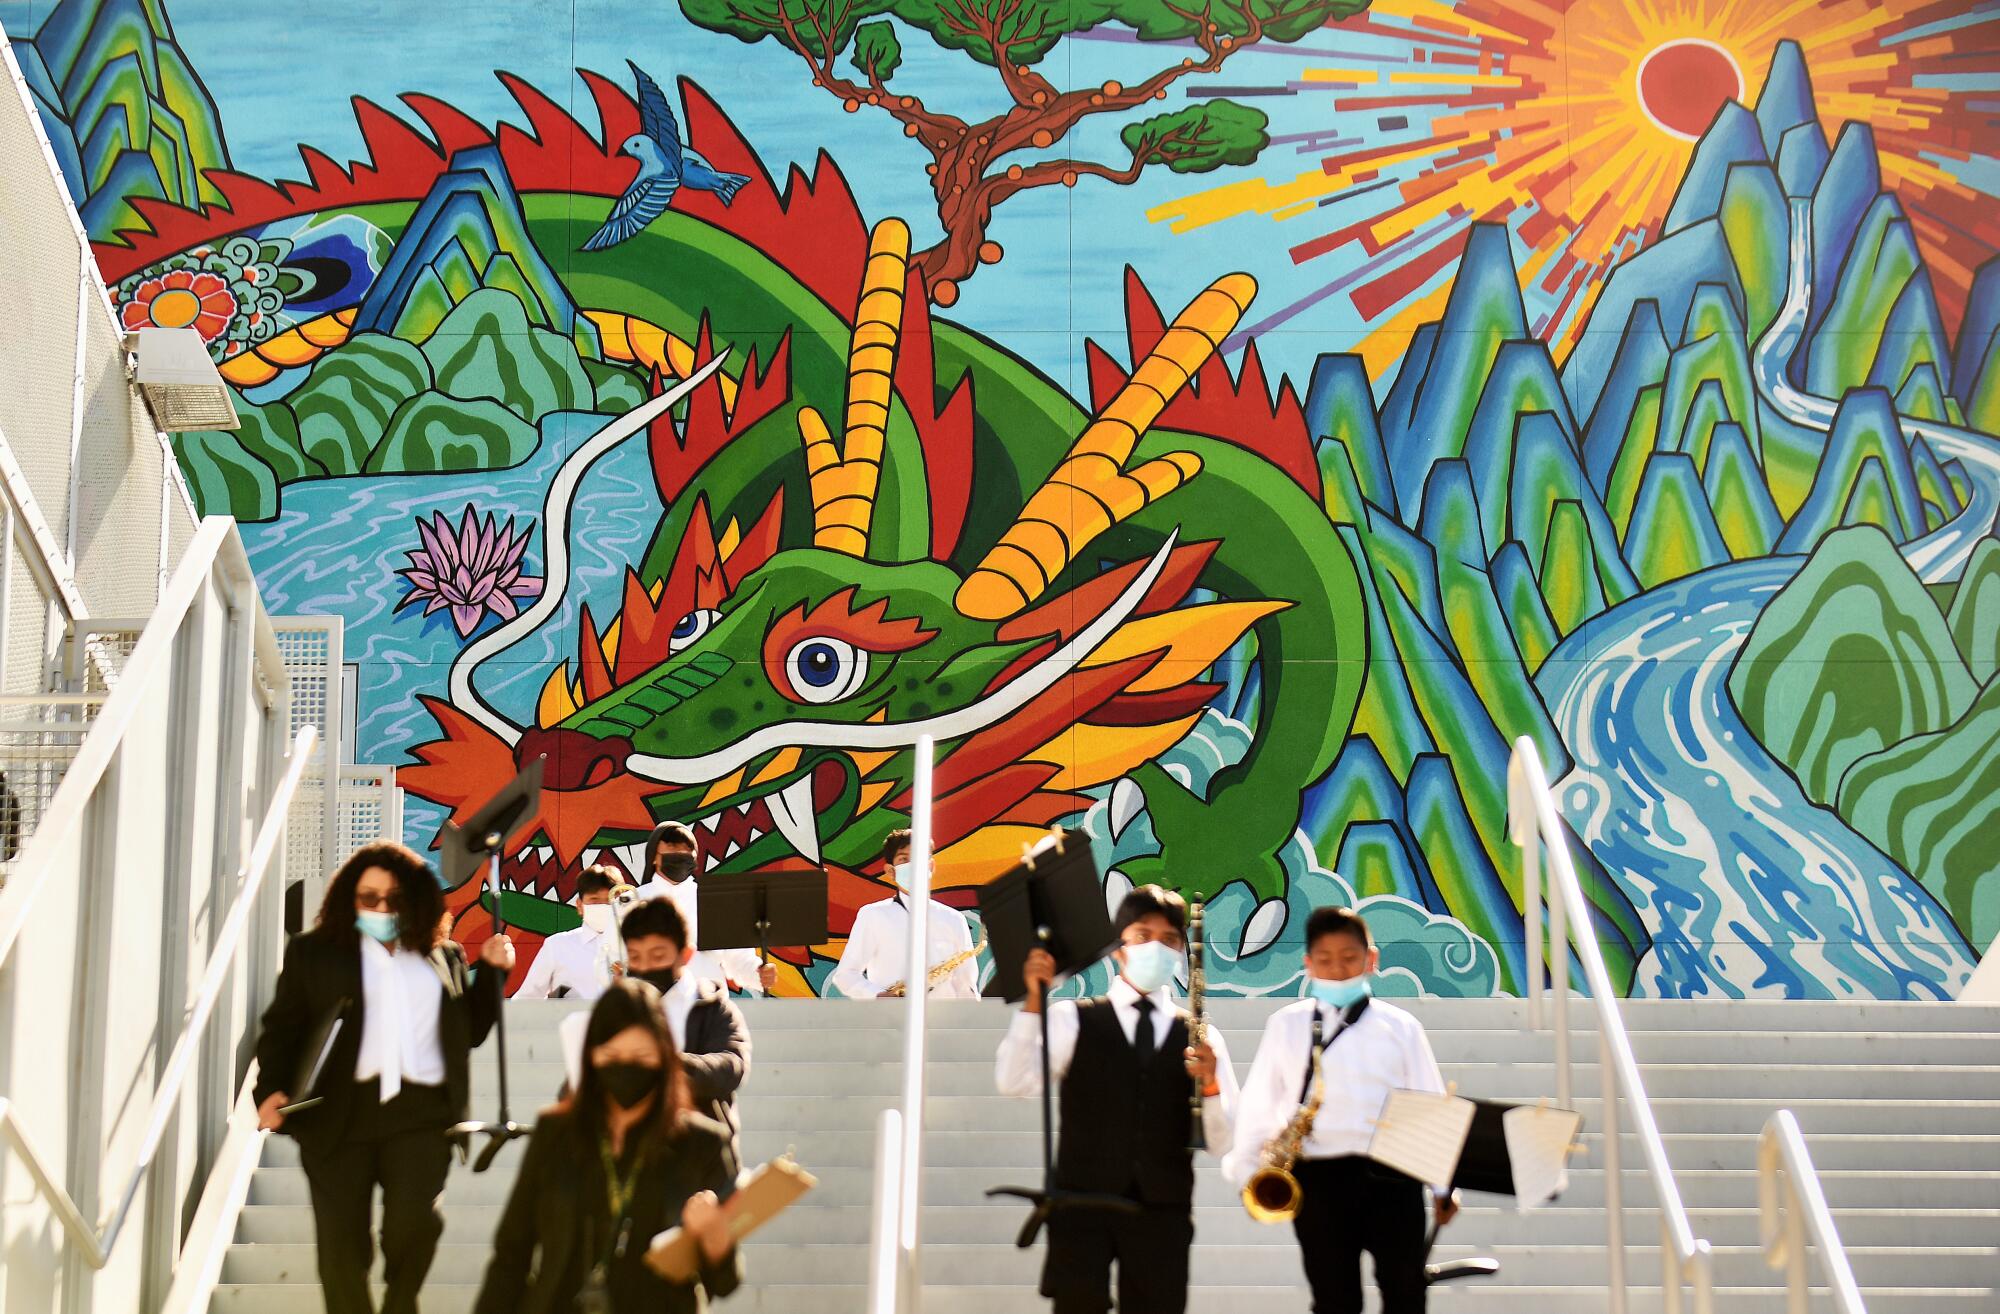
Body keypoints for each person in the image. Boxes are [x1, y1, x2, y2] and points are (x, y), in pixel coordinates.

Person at [253, 842, 516, 1314]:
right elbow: (282, 1029)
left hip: (423, 1115)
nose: (380, 908)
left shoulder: (445, 955)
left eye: (393, 898)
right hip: (335, 1114)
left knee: (414, 1227)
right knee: (340, 1249)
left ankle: (401, 1302)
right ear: (347, 898)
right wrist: (269, 1091)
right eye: (367, 897)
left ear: (416, 900)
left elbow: (470, 1033)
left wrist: (493, 975)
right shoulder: (315, 953)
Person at [994, 884, 1239, 1314]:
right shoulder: (1073, 1018)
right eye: (1143, 936)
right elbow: (1014, 1083)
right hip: (1080, 1207)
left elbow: (1224, 1142)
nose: (1156, 948)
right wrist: (1034, 998)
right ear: (1118, 948)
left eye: (1169, 940)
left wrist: (1212, 1083)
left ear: (1182, 950)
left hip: (1162, 1211)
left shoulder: (1202, 1036)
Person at [1221, 905, 1458, 1314]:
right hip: (1318, 1179)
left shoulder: (1401, 1027)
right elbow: (1259, 1102)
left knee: (1405, 1293)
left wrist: (1443, 1186)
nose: (1338, 970)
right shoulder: (1286, 1024)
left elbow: (1429, 1101)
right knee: (1333, 1298)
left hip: (1393, 1177)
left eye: (1350, 959)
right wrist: (1247, 1173)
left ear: (1372, 959)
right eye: (1326, 961)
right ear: (1308, 964)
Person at [473, 979, 743, 1313]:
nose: (626, 1067)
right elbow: (511, 1255)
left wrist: (714, 1235)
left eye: (641, 1056)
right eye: (612, 1055)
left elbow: (726, 1281)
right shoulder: (554, 1134)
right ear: (590, 1058)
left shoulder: (703, 1143)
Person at [562, 898, 751, 1152]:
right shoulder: (617, 1010)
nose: (645, 967)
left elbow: (731, 1067)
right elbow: (575, 1086)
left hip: (700, 1159)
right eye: (636, 957)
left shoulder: (713, 1007)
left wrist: (662, 1063)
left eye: (658, 956)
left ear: (686, 954)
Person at [829, 828, 981, 999]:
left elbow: (966, 985)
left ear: (930, 866)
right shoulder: (872, 915)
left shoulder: (954, 918)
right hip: (891, 1019)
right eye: (904, 859)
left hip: (944, 1022)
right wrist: (877, 995)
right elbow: (845, 975)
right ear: (890, 871)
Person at [631, 820, 777, 994]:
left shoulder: (715, 901)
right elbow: (614, 960)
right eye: (672, 848)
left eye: (687, 850)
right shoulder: (631, 902)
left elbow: (739, 959)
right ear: (653, 855)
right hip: (650, 1006)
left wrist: (759, 974)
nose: (680, 854)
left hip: (709, 1006)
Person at [515, 865, 621, 1001]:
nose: (602, 906)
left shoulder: (634, 946)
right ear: (579, 905)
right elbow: (527, 998)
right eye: (594, 900)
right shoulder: (557, 945)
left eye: (609, 901)